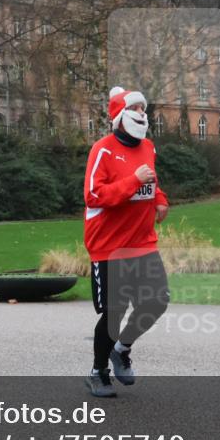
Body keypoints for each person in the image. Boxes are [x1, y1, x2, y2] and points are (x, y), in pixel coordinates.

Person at [82, 86, 170, 397]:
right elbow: (93, 195)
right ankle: (98, 372)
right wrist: (133, 181)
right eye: (134, 109)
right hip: (109, 246)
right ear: (119, 116)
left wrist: (160, 200)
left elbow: (152, 180)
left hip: (142, 241)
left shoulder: (148, 147)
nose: (141, 114)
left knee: (157, 300)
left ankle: (121, 349)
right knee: (115, 311)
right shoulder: (102, 150)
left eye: (143, 109)